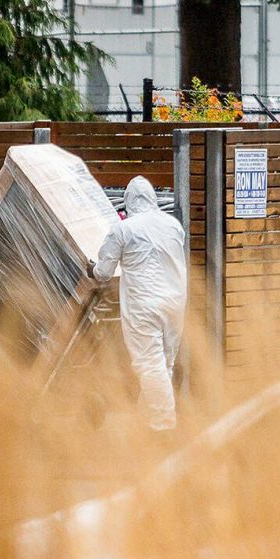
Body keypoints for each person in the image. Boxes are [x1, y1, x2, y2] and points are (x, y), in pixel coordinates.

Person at [88, 176, 187, 431]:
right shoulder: (174, 225)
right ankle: (148, 424)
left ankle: (163, 427)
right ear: (153, 198)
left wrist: (92, 269)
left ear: (129, 201)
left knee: (149, 365)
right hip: (175, 302)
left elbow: (103, 272)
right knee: (165, 363)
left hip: (144, 305)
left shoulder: (123, 229)